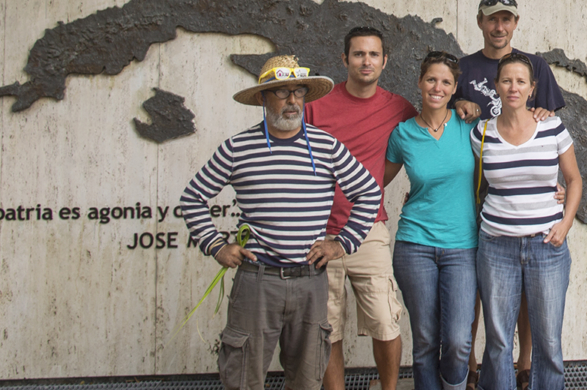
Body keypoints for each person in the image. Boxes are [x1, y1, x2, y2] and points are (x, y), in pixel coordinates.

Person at [180, 55, 382, 390]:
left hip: (310, 280)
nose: (292, 101)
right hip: (257, 281)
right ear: (262, 98)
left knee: (306, 378)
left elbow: (368, 192)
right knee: (244, 376)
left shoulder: (326, 146)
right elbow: (193, 198)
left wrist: (341, 243)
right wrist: (216, 245)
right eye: (281, 93)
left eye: (299, 92)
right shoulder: (237, 148)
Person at [453, 0, 567, 389]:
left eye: (506, 19)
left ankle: (525, 365)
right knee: (481, 296)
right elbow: (446, 119)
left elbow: (550, 123)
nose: (499, 27)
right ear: (480, 22)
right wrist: (460, 108)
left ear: (516, 23)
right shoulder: (464, 68)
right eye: (491, 19)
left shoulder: (535, 65)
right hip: (483, 200)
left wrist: (556, 183)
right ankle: (470, 367)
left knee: (531, 301)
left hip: (533, 211)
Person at [304, 26, 416, 390]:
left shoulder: (398, 107)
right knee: (327, 325)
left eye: (373, 55)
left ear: (384, 61)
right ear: (345, 59)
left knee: (385, 320)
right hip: (319, 233)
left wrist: (374, 186)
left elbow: (424, 137)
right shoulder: (315, 108)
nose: (365, 61)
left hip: (368, 229)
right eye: (358, 54)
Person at [470, 52, 582, 390]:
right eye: (506, 81)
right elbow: (471, 180)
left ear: (532, 89)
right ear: (496, 87)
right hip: (495, 246)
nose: (513, 87)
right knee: (499, 342)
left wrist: (566, 223)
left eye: (521, 81)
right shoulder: (481, 133)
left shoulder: (552, 127)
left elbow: (574, 180)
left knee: (548, 343)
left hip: (546, 245)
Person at [384, 51, 478, 390]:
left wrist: (550, 187)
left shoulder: (469, 126)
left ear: (455, 89)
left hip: (462, 246)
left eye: (446, 82)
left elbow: (507, 162)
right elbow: (374, 183)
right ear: (420, 83)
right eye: (431, 80)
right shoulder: (403, 134)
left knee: (457, 341)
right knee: (424, 341)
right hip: (414, 245)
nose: (437, 87)